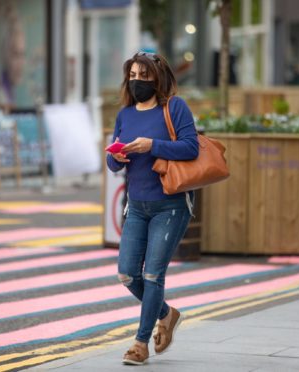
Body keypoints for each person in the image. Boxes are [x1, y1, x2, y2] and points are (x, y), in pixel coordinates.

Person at [106, 51, 199, 365]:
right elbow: (111, 160)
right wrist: (114, 156)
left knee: (153, 275)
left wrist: (152, 145)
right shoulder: (125, 114)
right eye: (132, 76)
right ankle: (167, 314)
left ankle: (140, 343)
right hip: (137, 205)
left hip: (170, 206)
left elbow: (190, 147)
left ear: (158, 79)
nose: (137, 83)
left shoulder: (175, 107)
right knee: (128, 274)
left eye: (143, 77)